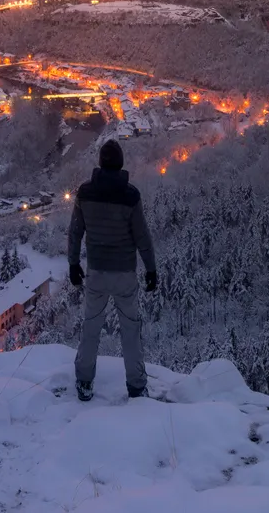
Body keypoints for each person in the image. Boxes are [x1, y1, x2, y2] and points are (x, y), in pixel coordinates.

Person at [68, 139, 157, 401]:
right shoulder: (131, 196)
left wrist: (73, 263)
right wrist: (151, 269)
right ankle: (137, 386)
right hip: (125, 275)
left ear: (99, 163)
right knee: (130, 330)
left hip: (96, 272)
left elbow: (75, 232)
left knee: (91, 328)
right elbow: (143, 237)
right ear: (121, 164)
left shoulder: (84, 193)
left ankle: (84, 382)